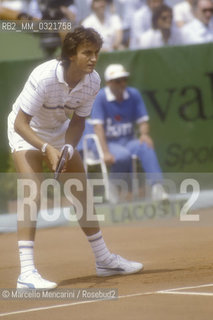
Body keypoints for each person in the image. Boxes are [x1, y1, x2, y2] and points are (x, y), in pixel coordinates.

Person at [7, 27, 143, 289]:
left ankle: (104, 260)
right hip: (26, 131)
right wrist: (46, 148)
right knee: (32, 193)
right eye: (87, 53)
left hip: (58, 130)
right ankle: (26, 273)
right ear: (71, 54)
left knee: (80, 190)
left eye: (96, 53)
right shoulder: (45, 76)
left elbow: (79, 121)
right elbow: (20, 124)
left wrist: (68, 147)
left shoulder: (93, 81)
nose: (93, 58)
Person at [89, 64, 168, 201]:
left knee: (146, 147)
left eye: (124, 79)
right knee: (123, 155)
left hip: (128, 141)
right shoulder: (100, 98)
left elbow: (143, 121)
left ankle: (157, 188)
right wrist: (105, 152)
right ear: (109, 82)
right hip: (107, 144)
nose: (122, 83)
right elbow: (98, 128)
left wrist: (144, 134)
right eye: (118, 80)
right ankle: (114, 186)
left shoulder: (134, 94)